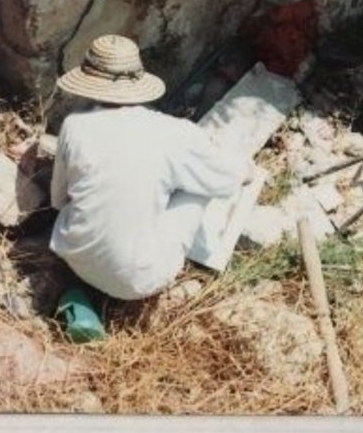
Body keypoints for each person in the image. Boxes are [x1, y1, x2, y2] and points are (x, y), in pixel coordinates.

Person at [48, 33, 246, 300]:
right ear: (138, 83)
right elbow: (228, 179)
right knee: (199, 187)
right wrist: (247, 170)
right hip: (134, 283)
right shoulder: (173, 133)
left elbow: (58, 201)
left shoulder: (73, 125)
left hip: (74, 258)